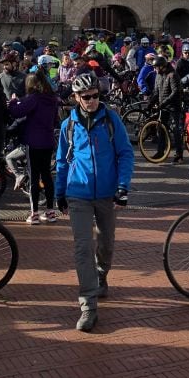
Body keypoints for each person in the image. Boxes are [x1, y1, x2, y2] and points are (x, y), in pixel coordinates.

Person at [55, 73, 134, 332]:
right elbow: (62, 161)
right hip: (77, 193)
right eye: (86, 97)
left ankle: (101, 274)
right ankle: (88, 305)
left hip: (106, 194)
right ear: (76, 98)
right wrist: (59, 192)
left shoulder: (111, 121)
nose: (91, 101)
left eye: (95, 96)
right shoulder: (69, 125)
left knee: (106, 243)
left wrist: (122, 187)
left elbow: (125, 154)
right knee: (82, 247)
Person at [8, 72, 60, 224]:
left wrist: (12, 102)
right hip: (48, 141)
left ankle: (34, 214)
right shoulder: (52, 99)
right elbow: (55, 119)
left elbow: (17, 112)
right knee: (47, 176)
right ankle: (50, 212)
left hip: (33, 143)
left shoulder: (34, 98)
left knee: (34, 178)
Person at [151, 54, 184, 163]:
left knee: (175, 130)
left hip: (174, 106)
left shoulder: (172, 75)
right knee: (161, 129)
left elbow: (175, 92)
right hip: (163, 106)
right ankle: (160, 151)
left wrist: (164, 103)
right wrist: (151, 102)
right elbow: (156, 91)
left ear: (162, 66)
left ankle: (179, 154)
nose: (155, 69)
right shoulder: (158, 75)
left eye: (156, 67)